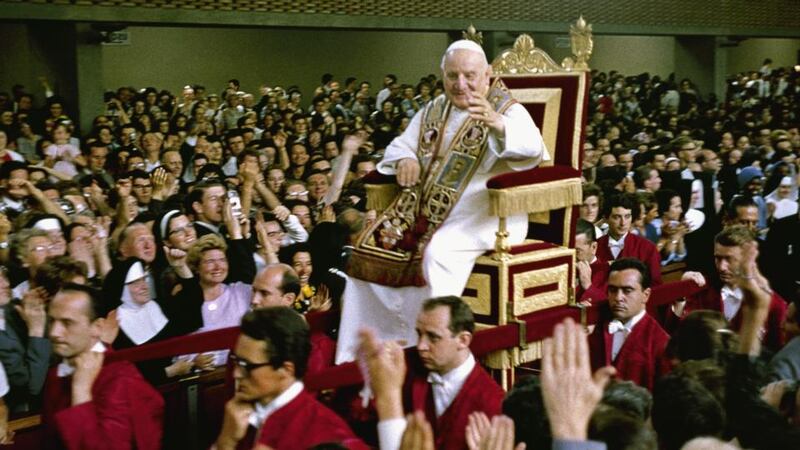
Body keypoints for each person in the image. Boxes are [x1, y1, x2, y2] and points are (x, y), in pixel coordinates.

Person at [337, 39, 548, 362]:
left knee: (436, 254)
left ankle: (434, 349)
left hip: (486, 214)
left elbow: (533, 150)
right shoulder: (435, 108)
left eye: (469, 75)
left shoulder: (506, 109)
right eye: (452, 76)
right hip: (426, 210)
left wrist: (497, 124)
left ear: (488, 74)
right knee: (366, 249)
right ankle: (363, 355)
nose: (460, 84)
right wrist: (406, 159)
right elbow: (399, 145)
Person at [212, 307, 366, 450]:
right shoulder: (235, 415)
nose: (236, 374)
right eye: (237, 361)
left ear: (286, 369)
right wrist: (225, 442)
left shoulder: (327, 434)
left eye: (247, 366)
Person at [42, 283, 164, 450]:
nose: (54, 332)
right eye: (51, 321)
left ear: (97, 327)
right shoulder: (55, 374)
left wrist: (81, 391)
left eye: (67, 323)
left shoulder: (121, 378)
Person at [671, 225, 787, 352]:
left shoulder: (775, 305)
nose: (722, 267)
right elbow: (677, 337)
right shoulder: (701, 291)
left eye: (729, 259)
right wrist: (681, 293)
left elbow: (778, 352)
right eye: (718, 258)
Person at [588, 258, 671, 390]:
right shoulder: (596, 331)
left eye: (627, 290)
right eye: (613, 290)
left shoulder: (661, 343)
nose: (618, 297)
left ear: (646, 295)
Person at [595, 193, 662, 286]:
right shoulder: (595, 247)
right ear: (606, 218)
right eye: (617, 217)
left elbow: (655, 284)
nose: (623, 223)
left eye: (627, 216)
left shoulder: (647, 248)